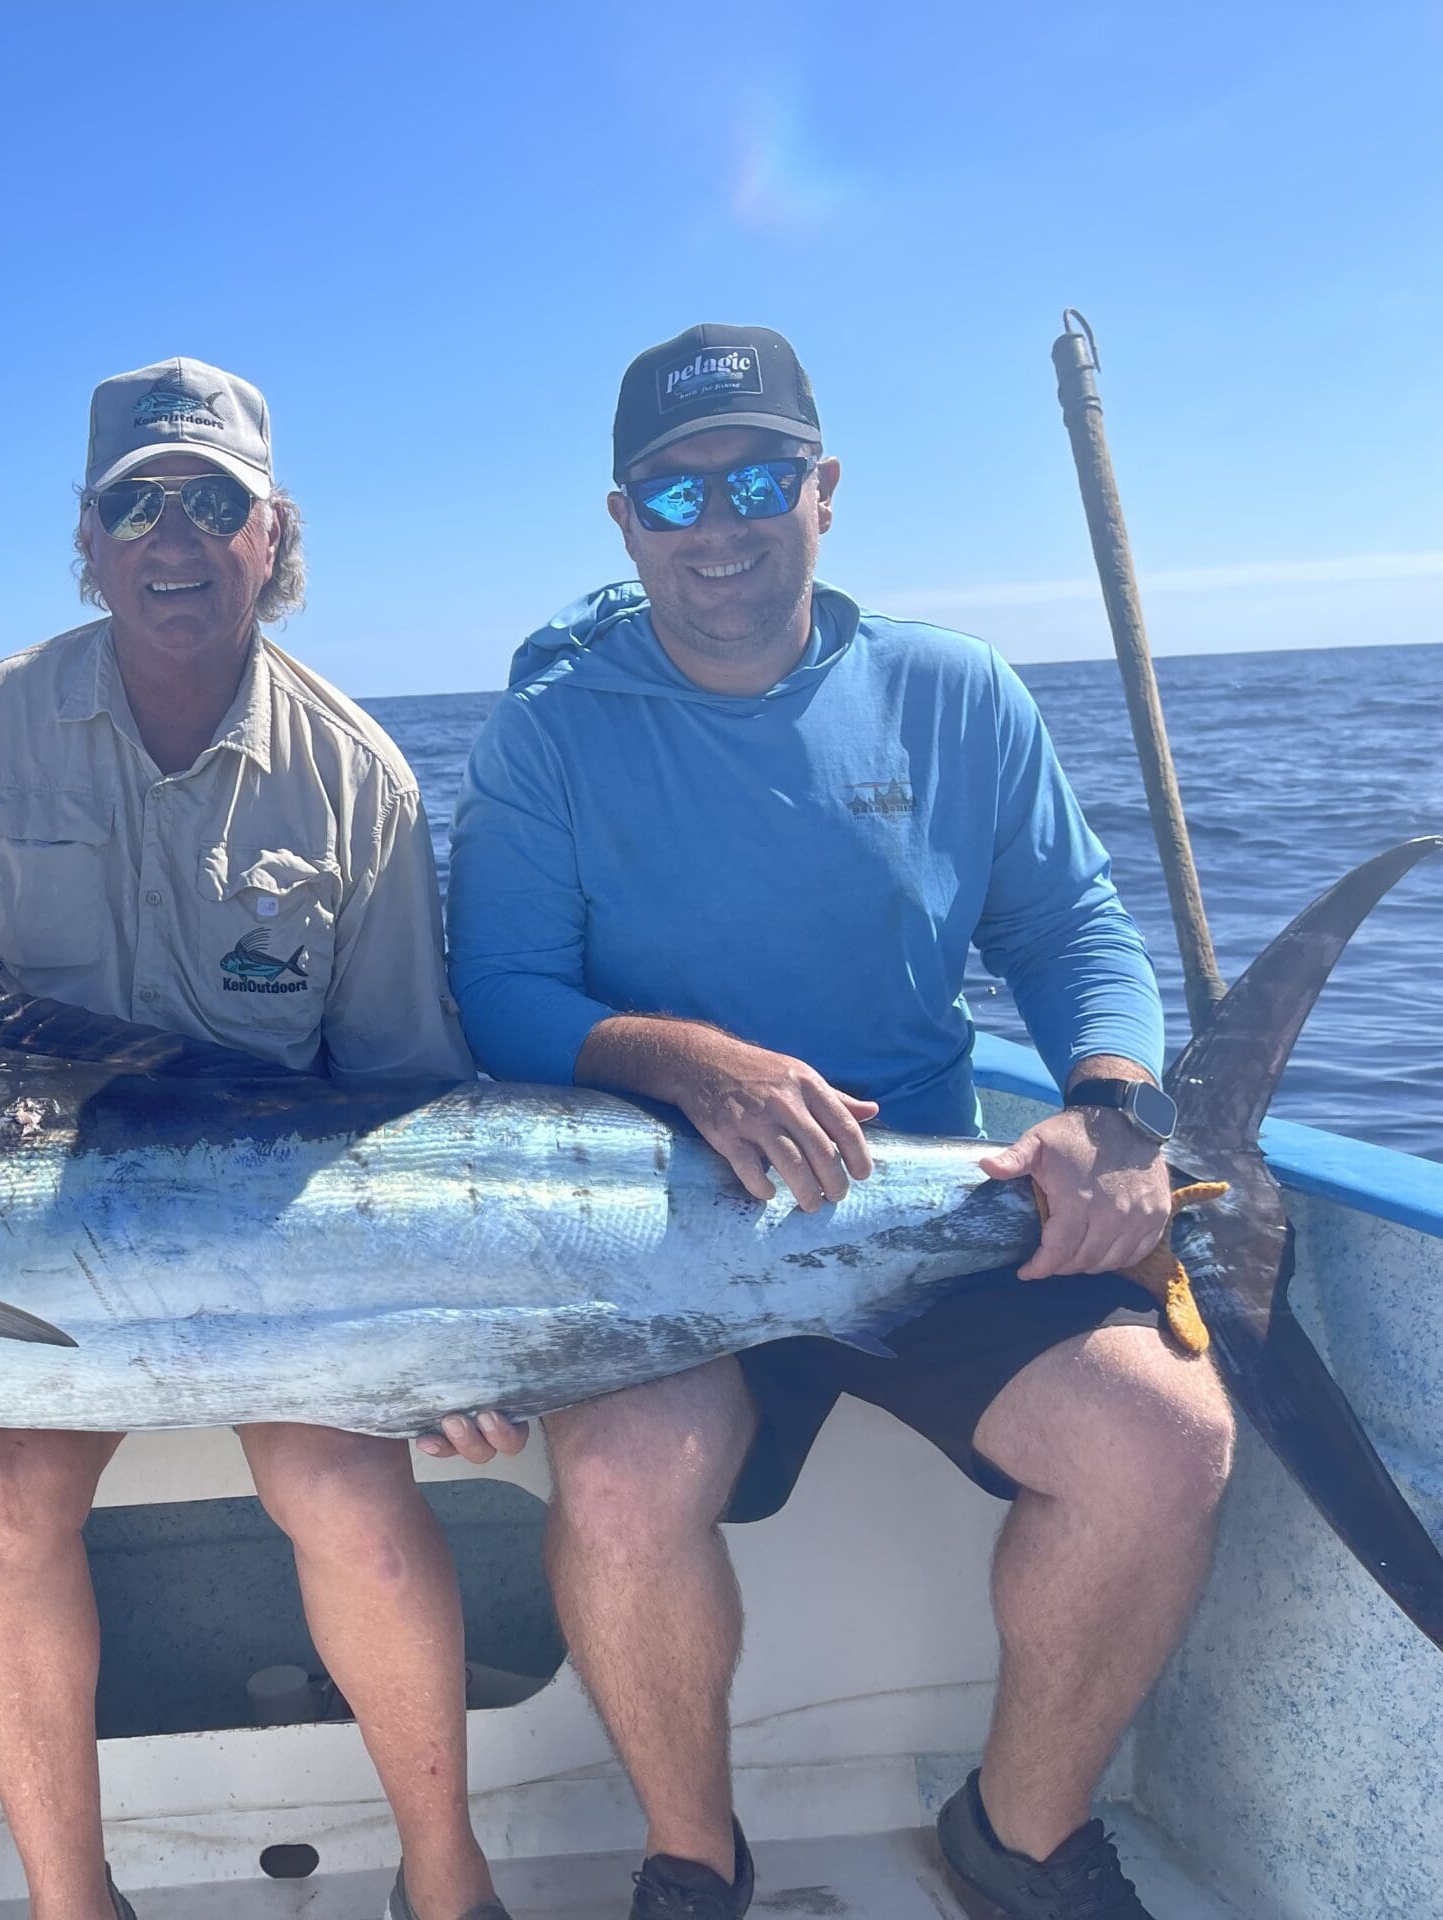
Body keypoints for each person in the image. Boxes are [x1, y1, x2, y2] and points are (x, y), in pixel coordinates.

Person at [443, 326, 1235, 1920]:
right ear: (620, 522)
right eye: (673, 495)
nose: (716, 525)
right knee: (615, 1487)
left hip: (921, 1221)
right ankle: (693, 1855)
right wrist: (685, 1060)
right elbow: (498, 988)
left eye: (754, 479)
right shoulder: (548, 734)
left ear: (824, 490)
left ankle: (1016, 1832)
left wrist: (1109, 1106)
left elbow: (1078, 932)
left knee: (1166, 1441)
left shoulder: (956, 693)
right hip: (663, 1239)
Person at [0, 360, 507, 1920]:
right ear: (86, 540)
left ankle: (447, 1878)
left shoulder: (358, 774)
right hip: (23, 1231)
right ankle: (71, 1902)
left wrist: (458, 1333)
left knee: (355, 1502)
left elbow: (402, 1089)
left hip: (279, 1247)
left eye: (212, 501)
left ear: (272, 535)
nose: (174, 534)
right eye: (134, 503)